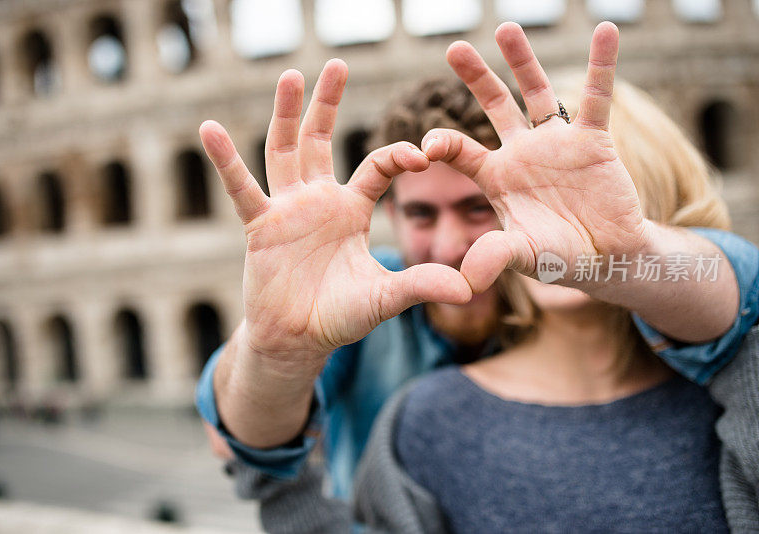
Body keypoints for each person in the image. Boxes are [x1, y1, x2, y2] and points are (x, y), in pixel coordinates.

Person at [193, 20, 759, 528]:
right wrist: (274, 356)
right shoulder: (372, 295)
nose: (447, 245)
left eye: (476, 208)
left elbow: (739, 292)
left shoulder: (576, 287)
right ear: (389, 215)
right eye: (420, 214)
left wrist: (627, 259)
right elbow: (240, 430)